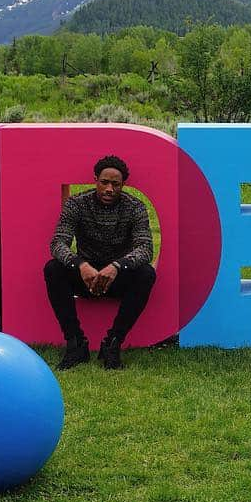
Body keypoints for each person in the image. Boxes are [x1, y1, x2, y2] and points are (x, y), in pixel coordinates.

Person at [43, 154, 156, 370]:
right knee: (53, 269)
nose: (109, 189)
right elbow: (58, 243)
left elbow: (145, 248)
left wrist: (117, 266)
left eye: (116, 184)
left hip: (118, 278)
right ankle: (76, 343)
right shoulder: (76, 204)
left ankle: (112, 344)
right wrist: (80, 265)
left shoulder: (135, 207)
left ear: (123, 185)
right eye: (104, 182)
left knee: (146, 274)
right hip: (84, 276)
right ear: (96, 179)